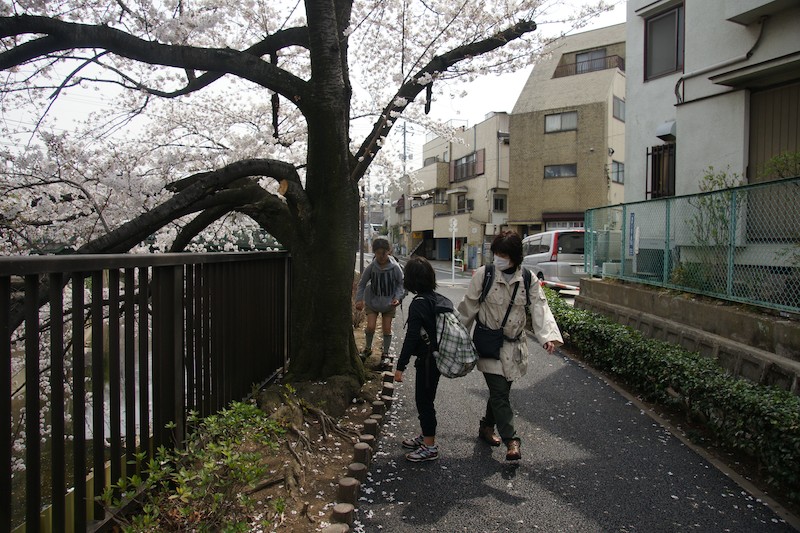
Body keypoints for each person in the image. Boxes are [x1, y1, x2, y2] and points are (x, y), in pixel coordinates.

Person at [457, 231, 563, 461]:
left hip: (514, 347)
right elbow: (468, 308)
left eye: (503, 255)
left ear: (515, 257)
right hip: (489, 344)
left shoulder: (527, 278)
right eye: (496, 253)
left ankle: (487, 426)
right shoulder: (484, 275)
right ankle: (511, 440)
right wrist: (455, 337)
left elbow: (540, 306)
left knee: (501, 393)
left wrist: (547, 337)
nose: (499, 258)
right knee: (499, 392)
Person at [394, 256, 453, 462]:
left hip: (427, 361)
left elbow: (411, 338)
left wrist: (400, 366)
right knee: (427, 399)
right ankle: (425, 436)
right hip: (437, 358)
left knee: (424, 402)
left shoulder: (418, 304)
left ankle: (430, 446)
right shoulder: (436, 299)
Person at [355, 237, 404, 365]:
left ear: (389, 251)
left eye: (384, 253)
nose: (381, 256)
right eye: (378, 253)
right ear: (374, 252)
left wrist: (397, 298)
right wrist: (359, 300)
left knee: (387, 328)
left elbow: (401, 284)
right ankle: (367, 349)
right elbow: (362, 283)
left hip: (390, 302)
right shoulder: (372, 267)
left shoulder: (395, 267)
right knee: (370, 326)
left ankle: (386, 353)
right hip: (372, 301)